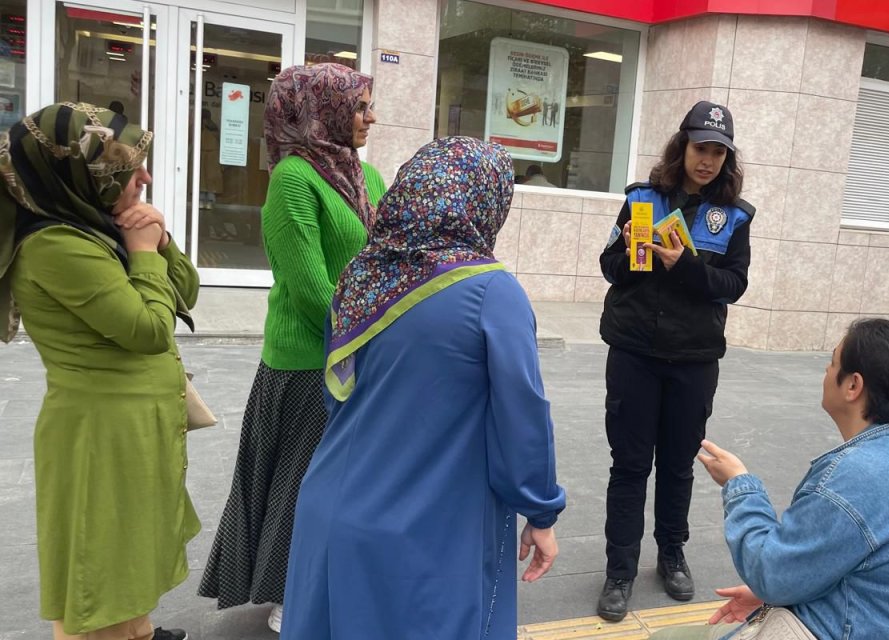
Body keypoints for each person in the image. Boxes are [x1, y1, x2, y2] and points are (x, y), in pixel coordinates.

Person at [281, 136, 565, 639]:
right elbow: (522, 416)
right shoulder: (491, 292)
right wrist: (540, 510)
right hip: (427, 532)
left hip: (328, 511)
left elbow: (338, 393)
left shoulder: (358, 278)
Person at [199, 62, 387, 633]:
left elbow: (385, 261)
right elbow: (309, 291)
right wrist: (373, 334)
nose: (369, 117)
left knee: (343, 483)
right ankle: (288, 593)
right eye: (359, 107)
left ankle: (327, 577)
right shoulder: (292, 180)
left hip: (362, 350)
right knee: (300, 484)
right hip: (307, 362)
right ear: (319, 112)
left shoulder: (367, 176)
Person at [0, 102, 196, 640]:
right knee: (100, 561)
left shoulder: (93, 226)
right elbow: (149, 329)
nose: (145, 178)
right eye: (128, 169)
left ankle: (137, 629)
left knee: (126, 549)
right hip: (99, 434)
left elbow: (186, 294)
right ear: (77, 178)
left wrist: (159, 237)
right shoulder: (56, 244)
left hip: (129, 426)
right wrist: (144, 250)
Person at [653, 318, 889, 640]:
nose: (825, 371)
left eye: (832, 362)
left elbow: (771, 571)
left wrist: (739, 484)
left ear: (853, 386)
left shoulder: (859, 475)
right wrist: (776, 593)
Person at [596, 100, 753, 620]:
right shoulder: (642, 198)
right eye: (698, 148)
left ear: (726, 160)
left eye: (716, 153)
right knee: (630, 465)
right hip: (635, 353)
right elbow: (610, 266)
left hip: (693, 358)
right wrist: (634, 257)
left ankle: (671, 555)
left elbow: (733, 285)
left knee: (678, 466)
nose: (705, 160)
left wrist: (684, 265)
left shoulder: (733, 215)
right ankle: (619, 570)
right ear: (682, 146)